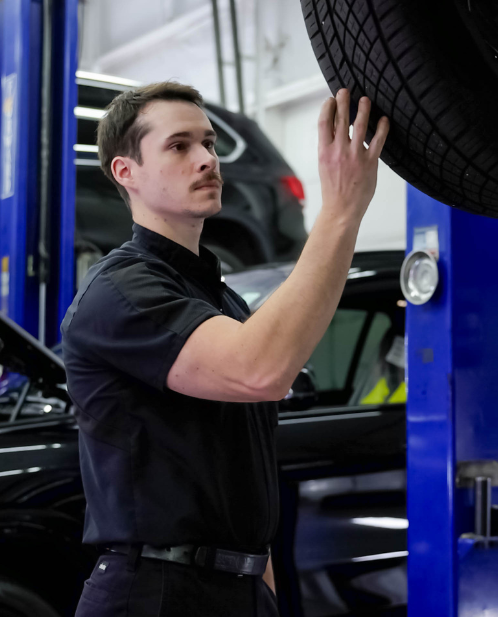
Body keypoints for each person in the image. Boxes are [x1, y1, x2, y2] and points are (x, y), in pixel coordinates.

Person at [61, 81, 389, 617]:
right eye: (179, 146)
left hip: (237, 589)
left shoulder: (224, 301)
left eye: (209, 143)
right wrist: (341, 210)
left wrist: (260, 583)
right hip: (154, 596)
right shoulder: (120, 292)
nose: (207, 159)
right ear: (126, 173)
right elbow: (261, 370)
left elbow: (238, 467)